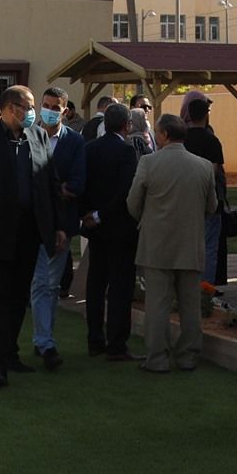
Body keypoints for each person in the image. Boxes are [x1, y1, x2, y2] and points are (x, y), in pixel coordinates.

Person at [0, 86, 69, 387]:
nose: (32, 112)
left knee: (19, 297)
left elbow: (51, 184)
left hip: (30, 231)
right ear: (10, 107)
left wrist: (58, 226)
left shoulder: (38, 137)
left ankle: (9, 353)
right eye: (27, 106)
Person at [127, 114, 221, 373]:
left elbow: (133, 202)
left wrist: (148, 219)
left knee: (157, 304)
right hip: (190, 243)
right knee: (190, 305)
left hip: (156, 244)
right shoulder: (203, 166)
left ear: (164, 135)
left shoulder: (148, 162)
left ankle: (157, 358)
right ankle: (188, 356)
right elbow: (212, 206)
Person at [27, 86, 86, 370]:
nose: (49, 111)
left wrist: (48, 193)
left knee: (50, 285)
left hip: (62, 223)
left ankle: (44, 339)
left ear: (65, 111)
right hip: (32, 223)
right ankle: (45, 341)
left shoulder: (75, 141)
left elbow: (77, 183)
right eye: (46, 105)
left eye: (55, 107)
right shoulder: (27, 136)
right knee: (41, 283)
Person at [79, 103, 140, 360]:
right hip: (119, 228)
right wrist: (101, 215)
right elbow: (125, 191)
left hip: (95, 228)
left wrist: (88, 214)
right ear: (127, 125)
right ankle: (116, 344)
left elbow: (82, 183)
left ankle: (94, 339)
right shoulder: (126, 151)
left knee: (96, 284)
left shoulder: (89, 148)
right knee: (119, 287)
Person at [178, 92, 227, 282]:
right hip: (208, 200)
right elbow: (213, 171)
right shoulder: (212, 140)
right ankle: (205, 287)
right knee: (209, 246)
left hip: (184, 199)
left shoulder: (181, 139)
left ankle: (186, 284)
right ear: (206, 114)